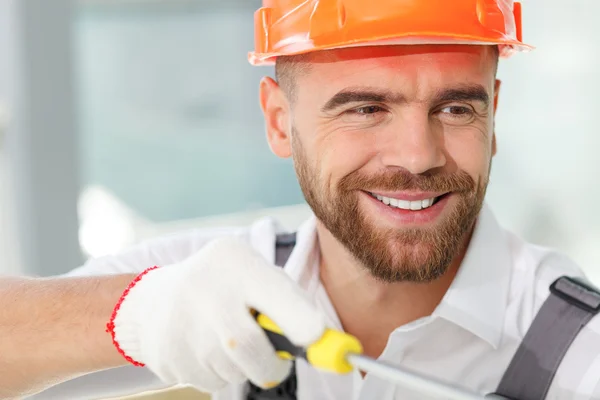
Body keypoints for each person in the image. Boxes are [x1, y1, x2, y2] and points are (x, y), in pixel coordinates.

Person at [2, 1, 600, 399]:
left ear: (494, 115)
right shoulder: (215, 283)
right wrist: (130, 313)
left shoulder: (574, 346)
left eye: (455, 108)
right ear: (279, 121)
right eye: (367, 109)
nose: (418, 156)